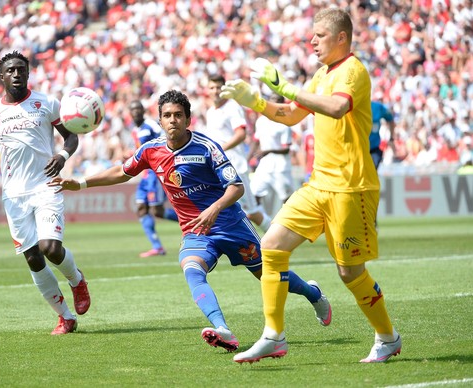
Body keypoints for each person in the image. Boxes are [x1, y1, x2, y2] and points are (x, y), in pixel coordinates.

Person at [49, 90, 331, 352]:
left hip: (230, 225)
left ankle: (313, 293)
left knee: (267, 276)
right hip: (196, 231)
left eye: (178, 115)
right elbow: (122, 172)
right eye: (167, 115)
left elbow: (237, 187)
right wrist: (81, 183)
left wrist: (214, 209)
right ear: (160, 120)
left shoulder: (207, 147)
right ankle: (223, 328)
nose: (173, 120)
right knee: (192, 269)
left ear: (188, 119)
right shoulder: (151, 150)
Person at [220, 8, 401, 363]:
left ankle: (388, 337)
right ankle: (274, 335)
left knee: (350, 273)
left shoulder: (354, 71)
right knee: (271, 245)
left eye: (319, 35)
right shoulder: (320, 75)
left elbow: (336, 108)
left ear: (341, 38)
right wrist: (253, 100)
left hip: (351, 189)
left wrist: (286, 86)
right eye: (312, 35)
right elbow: (291, 115)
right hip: (318, 185)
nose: (312, 41)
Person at [0, 51, 91, 335]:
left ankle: (76, 280)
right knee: (33, 258)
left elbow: (72, 135)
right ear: (1, 76)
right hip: (13, 195)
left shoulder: (47, 103)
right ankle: (65, 317)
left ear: (28, 73)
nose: (17, 74)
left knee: (50, 248)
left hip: (46, 186)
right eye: (11, 70)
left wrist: (63, 155)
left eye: (21, 70)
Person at [200, 74, 273, 232]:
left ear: (223, 89)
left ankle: (277, 235)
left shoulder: (232, 107)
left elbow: (240, 134)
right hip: (218, 167)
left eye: (218, 87)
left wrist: (220, 150)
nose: (215, 91)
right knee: (225, 209)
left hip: (235, 165)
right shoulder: (211, 111)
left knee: (251, 212)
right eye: (211, 87)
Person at [128, 100, 178, 258]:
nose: (136, 112)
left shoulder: (151, 125)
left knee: (157, 211)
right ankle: (157, 247)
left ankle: (194, 222)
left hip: (155, 174)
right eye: (133, 110)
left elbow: (165, 139)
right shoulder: (135, 131)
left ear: (143, 111)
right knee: (141, 208)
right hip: (144, 175)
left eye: (138, 109)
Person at [248, 93, 294, 217]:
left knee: (287, 200)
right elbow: (256, 141)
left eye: (278, 101)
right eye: (273, 100)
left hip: (280, 167)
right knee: (253, 194)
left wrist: (269, 151)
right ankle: (266, 223)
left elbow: (287, 149)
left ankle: (290, 225)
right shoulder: (261, 121)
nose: (275, 103)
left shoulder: (285, 123)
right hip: (265, 166)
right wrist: (248, 158)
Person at [370, 94, 395, 170]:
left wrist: (391, 137)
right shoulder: (354, 107)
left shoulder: (378, 107)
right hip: (357, 149)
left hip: (374, 148)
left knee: (372, 172)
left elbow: (391, 119)